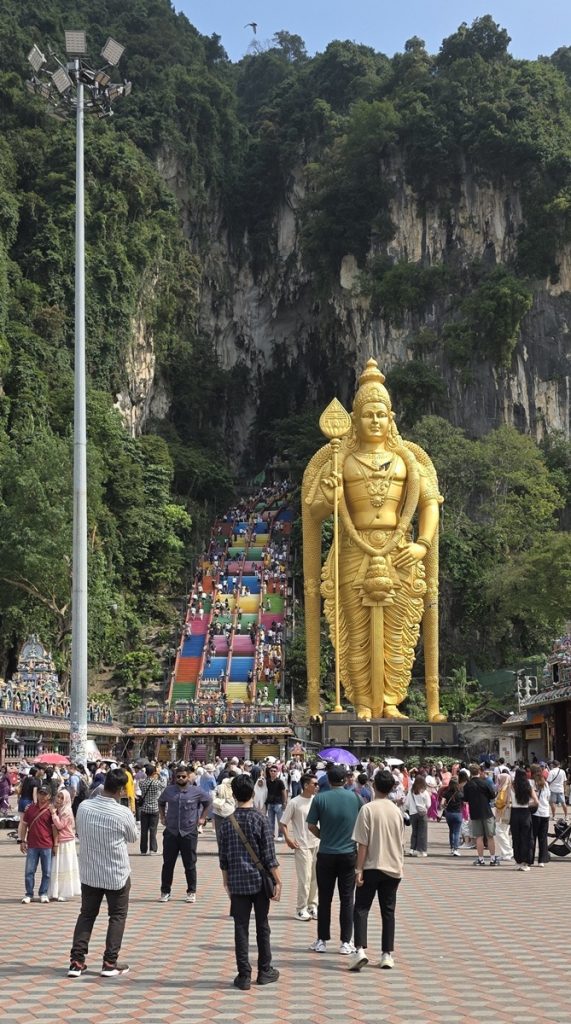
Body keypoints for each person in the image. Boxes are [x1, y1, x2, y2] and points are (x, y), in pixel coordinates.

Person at [302, 357, 445, 721]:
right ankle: (363, 703)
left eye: (382, 413)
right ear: (355, 419)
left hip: (399, 550)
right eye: (368, 414)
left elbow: (429, 505)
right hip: (353, 549)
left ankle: (391, 701)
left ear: (391, 417)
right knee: (357, 629)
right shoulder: (340, 460)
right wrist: (330, 496)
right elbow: (314, 512)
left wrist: (421, 544)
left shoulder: (407, 460)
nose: (376, 420)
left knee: (397, 631)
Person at [67, 768, 137, 977]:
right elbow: (133, 837)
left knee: (87, 915)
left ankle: (76, 962)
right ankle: (109, 962)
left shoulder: (84, 807)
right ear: (122, 790)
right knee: (117, 915)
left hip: (90, 870)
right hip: (116, 871)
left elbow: (78, 829)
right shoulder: (123, 812)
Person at [218, 774, 281, 990]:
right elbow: (269, 857)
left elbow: (223, 859)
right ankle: (265, 970)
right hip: (260, 881)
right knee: (262, 926)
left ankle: (244, 975)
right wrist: (278, 881)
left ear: (233, 795)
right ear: (253, 793)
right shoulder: (261, 819)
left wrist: (226, 884)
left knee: (240, 928)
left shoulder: (227, 823)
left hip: (237, 881)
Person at [348, 770, 404, 972]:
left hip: (371, 865)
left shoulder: (368, 809)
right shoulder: (397, 810)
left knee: (361, 908)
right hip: (393, 866)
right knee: (388, 911)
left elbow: (362, 844)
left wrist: (358, 869)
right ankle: (387, 954)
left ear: (374, 786)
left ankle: (360, 950)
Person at [307, 765, 362, 954]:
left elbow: (311, 825)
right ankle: (346, 941)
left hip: (327, 853)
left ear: (328, 781)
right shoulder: (355, 798)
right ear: (346, 780)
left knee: (325, 898)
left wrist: (324, 835)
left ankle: (322, 939)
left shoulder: (320, 798)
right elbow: (363, 822)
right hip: (348, 853)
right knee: (347, 899)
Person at [158, 765, 212, 903]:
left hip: (189, 831)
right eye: (178, 776)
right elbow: (161, 802)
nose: (181, 778)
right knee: (168, 863)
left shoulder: (196, 791)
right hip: (171, 831)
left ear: (188, 777)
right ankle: (165, 891)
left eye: (183, 776)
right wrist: (162, 817)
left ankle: (191, 891)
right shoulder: (169, 791)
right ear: (174, 777)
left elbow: (208, 802)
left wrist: (203, 817)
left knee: (190, 863)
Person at [280, 774, 319, 921]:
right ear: (305, 785)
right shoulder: (295, 802)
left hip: (317, 843)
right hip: (302, 845)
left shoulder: (317, 800)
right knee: (305, 878)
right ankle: (301, 908)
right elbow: (283, 822)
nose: (316, 786)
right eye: (314, 784)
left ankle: (312, 906)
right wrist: (288, 839)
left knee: (316, 877)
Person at [18, 785, 54, 904]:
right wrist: (22, 841)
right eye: (40, 793)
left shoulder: (51, 810)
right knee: (29, 871)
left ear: (49, 796)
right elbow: (24, 825)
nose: (42, 796)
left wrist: (56, 845)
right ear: (37, 794)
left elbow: (56, 828)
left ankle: (43, 893)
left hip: (47, 844)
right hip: (32, 844)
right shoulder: (30, 808)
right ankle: (29, 894)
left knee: (47, 872)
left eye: (45, 794)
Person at [462, 764, 499, 866]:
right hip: (486, 812)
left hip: (474, 813)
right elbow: (492, 795)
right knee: (490, 836)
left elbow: (465, 800)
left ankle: (481, 859)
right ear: (479, 772)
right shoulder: (485, 783)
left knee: (479, 837)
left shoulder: (467, 786)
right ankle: (492, 859)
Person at [49, 789, 81, 901]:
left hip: (66, 841)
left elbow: (60, 825)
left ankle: (65, 892)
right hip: (59, 840)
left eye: (62, 798)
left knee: (65, 866)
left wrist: (53, 813)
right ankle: (56, 891)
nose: (59, 799)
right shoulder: (58, 809)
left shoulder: (66, 811)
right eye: (58, 796)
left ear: (66, 800)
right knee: (57, 866)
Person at [510, 768, 538, 871]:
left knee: (516, 838)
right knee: (526, 837)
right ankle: (526, 862)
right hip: (525, 813)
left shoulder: (512, 786)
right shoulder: (528, 786)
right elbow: (536, 801)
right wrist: (527, 804)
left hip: (514, 813)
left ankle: (518, 861)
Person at [139, 764, 165, 855]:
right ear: (154, 772)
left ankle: (143, 850)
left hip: (144, 808)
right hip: (154, 808)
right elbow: (164, 784)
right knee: (153, 830)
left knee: (144, 830)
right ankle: (153, 849)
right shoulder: (156, 782)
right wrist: (159, 774)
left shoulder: (141, 782)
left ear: (146, 772)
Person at [405, 776, 430, 856]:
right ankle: (422, 851)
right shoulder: (424, 792)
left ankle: (412, 849)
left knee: (414, 832)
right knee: (422, 832)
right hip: (422, 814)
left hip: (413, 814)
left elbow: (407, 804)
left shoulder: (410, 792)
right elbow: (428, 804)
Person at [493, 770, 514, 864]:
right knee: (504, 832)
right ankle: (505, 853)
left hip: (504, 813)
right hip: (501, 813)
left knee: (499, 831)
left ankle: (507, 852)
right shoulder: (503, 788)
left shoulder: (506, 789)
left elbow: (505, 801)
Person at [439, 778, 464, 856]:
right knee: (457, 832)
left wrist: (445, 805)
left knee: (451, 831)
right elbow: (465, 803)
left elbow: (441, 803)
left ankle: (452, 848)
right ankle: (456, 849)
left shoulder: (446, 793)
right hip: (458, 814)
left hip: (449, 814)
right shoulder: (460, 794)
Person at [531, 771, 550, 867]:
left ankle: (530, 859)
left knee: (533, 837)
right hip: (545, 813)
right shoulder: (546, 784)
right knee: (543, 838)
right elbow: (548, 797)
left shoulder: (534, 785)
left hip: (536, 813)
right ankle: (541, 860)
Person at [265, 764, 287, 840]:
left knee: (280, 821)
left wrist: (284, 803)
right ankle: (272, 835)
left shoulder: (280, 781)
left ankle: (280, 835)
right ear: (269, 772)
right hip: (270, 803)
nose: (273, 772)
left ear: (277, 772)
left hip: (278, 803)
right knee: (270, 821)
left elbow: (284, 792)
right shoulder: (267, 781)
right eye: (271, 771)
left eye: (274, 771)